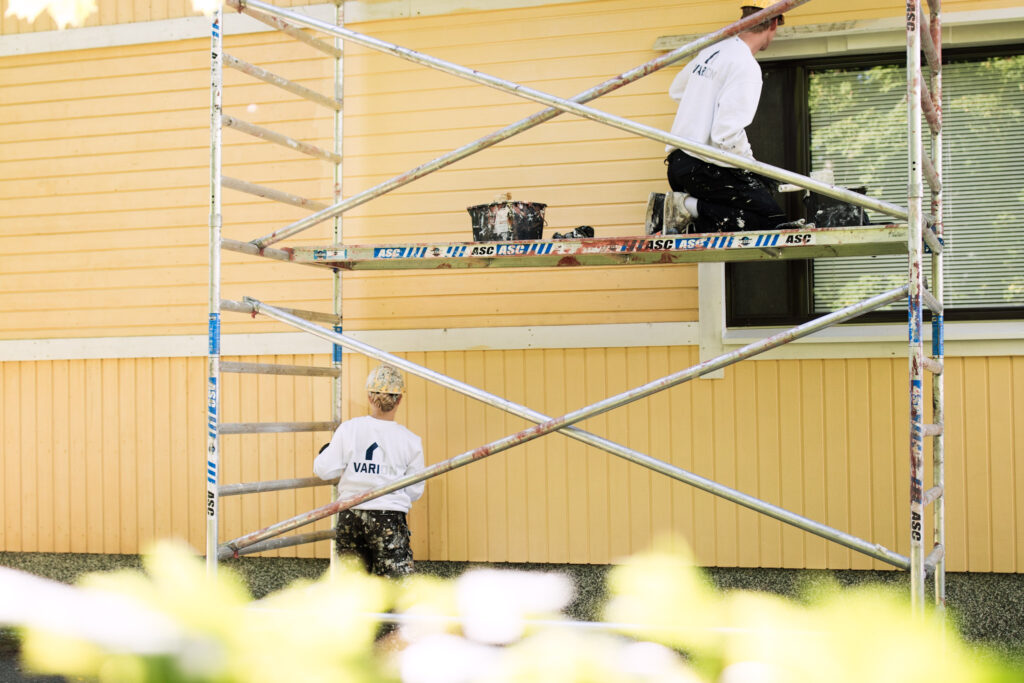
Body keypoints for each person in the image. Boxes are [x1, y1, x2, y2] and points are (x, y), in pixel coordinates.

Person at [651, 0, 789, 234]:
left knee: (725, 221)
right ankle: (682, 206)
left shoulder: (713, 50)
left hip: (678, 164)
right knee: (770, 221)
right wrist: (750, 167)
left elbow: (677, 90)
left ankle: (685, 211)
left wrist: (703, 104)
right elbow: (726, 135)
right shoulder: (746, 65)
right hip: (705, 167)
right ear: (774, 23)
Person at [314, 364, 425, 578]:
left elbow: (323, 470)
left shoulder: (349, 429)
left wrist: (327, 452)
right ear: (399, 399)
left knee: (353, 585)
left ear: (369, 397)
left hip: (351, 513)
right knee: (394, 586)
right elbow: (414, 492)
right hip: (389, 517)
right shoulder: (411, 441)